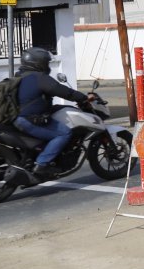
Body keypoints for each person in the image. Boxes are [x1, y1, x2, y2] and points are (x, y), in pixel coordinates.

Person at [12, 47, 93, 179]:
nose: (47, 65)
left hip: (16, 118)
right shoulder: (40, 78)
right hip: (28, 120)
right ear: (39, 63)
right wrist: (83, 98)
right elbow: (63, 91)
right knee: (64, 133)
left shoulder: (19, 76)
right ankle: (41, 164)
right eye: (46, 62)